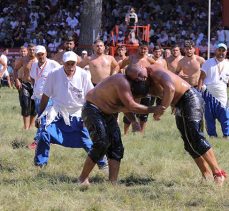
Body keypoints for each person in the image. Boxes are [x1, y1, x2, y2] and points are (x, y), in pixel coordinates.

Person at [126, 64, 227, 186]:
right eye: (136, 78)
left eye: (140, 75)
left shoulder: (154, 71)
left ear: (142, 67)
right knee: (188, 142)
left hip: (190, 98)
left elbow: (171, 88)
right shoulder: (140, 81)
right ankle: (206, 174)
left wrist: (162, 109)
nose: (140, 78)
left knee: (195, 136)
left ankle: (218, 173)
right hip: (179, 103)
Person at [78, 70, 157, 186]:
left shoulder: (128, 86)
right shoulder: (122, 83)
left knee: (116, 146)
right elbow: (131, 106)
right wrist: (153, 109)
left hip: (108, 113)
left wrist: (134, 121)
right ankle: (82, 179)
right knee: (101, 143)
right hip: (92, 109)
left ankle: (112, 182)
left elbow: (124, 106)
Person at [34, 51, 107, 169]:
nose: (70, 67)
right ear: (63, 63)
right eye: (67, 64)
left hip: (78, 113)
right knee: (44, 134)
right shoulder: (53, 74)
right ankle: (40, 164)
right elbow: (46, 96)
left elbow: (91, 96)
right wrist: (40, 115)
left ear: (76, 64)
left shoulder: (83, 74)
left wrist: (93, 115)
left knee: (88, 141)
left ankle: (102, 164)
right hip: (57, 111)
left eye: (72, 64)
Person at [29, 45, 61, 149]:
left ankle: (37, 140)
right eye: (38, 55)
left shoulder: (53, 64)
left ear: (46, 53)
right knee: (43, 119)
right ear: (36, 55)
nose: (40, 56)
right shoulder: (34, 65)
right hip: (38, 97)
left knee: (43, 119)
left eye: (42, 54)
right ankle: (51, 139)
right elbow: (33, 78)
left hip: (49, 97)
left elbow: (62, 75)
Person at [120, 41, 155, 134]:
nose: (143, 50)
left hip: (146, 89)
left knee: (144, 111)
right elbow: (119, 66)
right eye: (141, 48)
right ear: (138, 48)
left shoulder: (150, 60)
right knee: (130, 109)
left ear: (147, 50)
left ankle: (141, 133)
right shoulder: (131, 58)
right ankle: (125, 133)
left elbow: (156, 72)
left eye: (145, 49)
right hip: (132, 89)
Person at [198, 43, 229, 138]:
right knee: (209, 116)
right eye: (219, 50)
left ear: (226, 52)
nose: (221, 53)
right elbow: (201, 78)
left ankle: (226, 135)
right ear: (215, 51)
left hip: (222, 94)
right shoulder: (208, 62)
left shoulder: (228, 64)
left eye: (223, 51)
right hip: (208, 93)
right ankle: (212, 136)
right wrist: (199, 92)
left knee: (225, 116)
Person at [13, 43, 37, 130]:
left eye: (33, 50)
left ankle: (31, 126)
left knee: (34, 108)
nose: (32, 51)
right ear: (28, 50)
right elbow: (15, 69)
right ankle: (26, 128)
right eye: (30, 50)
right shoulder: (23, 59)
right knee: (25, 105)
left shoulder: (39, 59)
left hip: (36, 86)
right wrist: (17, 80)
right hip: (25, 84)